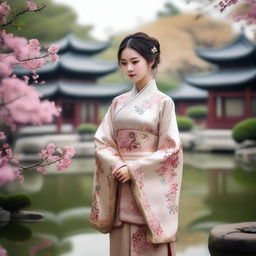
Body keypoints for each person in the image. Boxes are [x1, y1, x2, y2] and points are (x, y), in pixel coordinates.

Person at [89, 32, 183, 256]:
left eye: (135, 61)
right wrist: (117, 166)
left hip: (148, 188)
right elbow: (102, 141)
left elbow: (171, 149)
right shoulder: (118, 102)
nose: (129, 68)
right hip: (120, 183)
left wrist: (133, 169)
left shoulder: (163, 102)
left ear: (150, 62)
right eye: (123, 63)